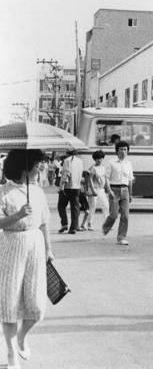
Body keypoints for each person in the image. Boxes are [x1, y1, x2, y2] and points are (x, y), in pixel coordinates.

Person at [0, 149, 54, 369]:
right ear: (24, 167)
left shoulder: (38, 192)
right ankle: (11, 352)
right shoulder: (4, 191)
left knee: (37, 303)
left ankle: (22, 336)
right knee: (9, 301)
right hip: (12, 245)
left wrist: (49, 249)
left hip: (36, 246)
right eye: (37, 164)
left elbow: (43, 223)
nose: (40, 168)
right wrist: (19, 215)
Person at [102, 140, 134, 245]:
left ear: (127, 151)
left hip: (125, 190)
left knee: (125, 216)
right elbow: (106, 177)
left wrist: (130, 193)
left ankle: (121, 237)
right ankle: (106, 226)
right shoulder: (111, 162)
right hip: (114, 190)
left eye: (125, 149)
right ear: (117, 151)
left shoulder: (129, 164)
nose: (123, 151)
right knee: (114, 215)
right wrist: (109, 190)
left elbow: (130, 180)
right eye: (121, 149)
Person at [57, 149, 84, 235]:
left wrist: (61, 187)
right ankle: (73, 227)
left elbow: (66, 174)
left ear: (67, 152)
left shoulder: (67, 160)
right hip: (77, 187)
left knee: (61, 206)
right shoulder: (80, 161)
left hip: (67, 187)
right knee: (75, 208)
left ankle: (64, 223)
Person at [86, 150, 113, 231]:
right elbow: (89, 179)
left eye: (101, 158)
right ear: (94, 159)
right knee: (92, 207)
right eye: (98, 159)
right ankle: (89, 224)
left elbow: (105, 179)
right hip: (94, 189)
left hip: (101, 190)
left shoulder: (103, 168)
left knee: (106, 205)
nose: (100, 160)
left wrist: (108, 189)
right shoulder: (92, 168)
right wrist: (93, 190)